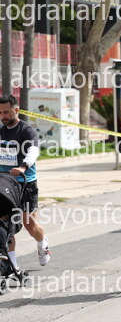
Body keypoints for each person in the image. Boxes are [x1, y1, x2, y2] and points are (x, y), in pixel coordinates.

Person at [0, 95, 50, 273]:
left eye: (7, 112)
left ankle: (42, 243)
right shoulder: (1, 130)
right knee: (5, 224)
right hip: (5, 184)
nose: (4, 116)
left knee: (30, 224)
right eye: (0, 113)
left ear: (16, 110)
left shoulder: (26, 130)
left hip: (25, 183)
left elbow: (33, 150)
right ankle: (12, 264)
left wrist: (23, 166)